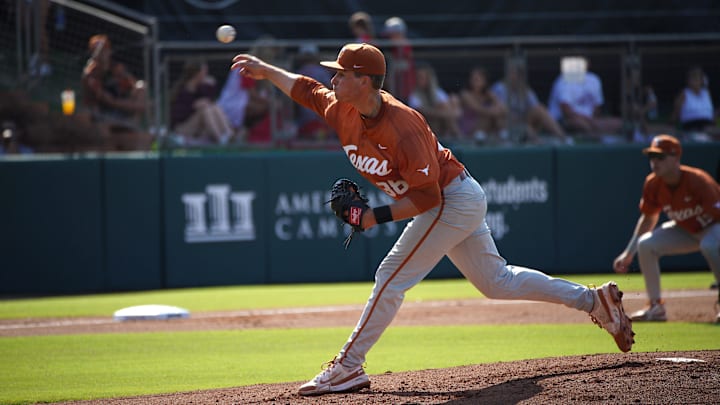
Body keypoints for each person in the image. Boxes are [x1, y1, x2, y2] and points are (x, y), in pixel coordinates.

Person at [231, 42, 635, 397]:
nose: (333, 79)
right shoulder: (343, 109)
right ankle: (593, 300)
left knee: (390, 276)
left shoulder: (403, 125)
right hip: (453, 198)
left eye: (342, 74)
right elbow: (305, 89)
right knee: (497, 282)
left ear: (366, 81)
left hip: (451, 200)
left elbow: (427, 198)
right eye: (334, 73)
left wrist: (373, 217)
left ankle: (348, 366)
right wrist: (266, 71)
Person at [613, 134, 720, 323]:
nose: (655, 161)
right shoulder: (653, 183)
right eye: (652, 157)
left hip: (713, 228)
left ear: (676, 158)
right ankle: (656, 307)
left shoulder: (698, 181)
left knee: (709, 245)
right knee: (645, 244)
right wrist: (629, 252)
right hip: (686, 231)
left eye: (661, 157)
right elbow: (648, 218)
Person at [80, 34, 152, 151]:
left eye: (104, 50)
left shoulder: (116, 68)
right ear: (92, 53)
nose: (102, 54)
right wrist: (138, 106)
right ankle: (130, 124)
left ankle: (138, 125)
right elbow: (108, 101)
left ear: (109, 51)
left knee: (142, 87)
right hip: (101, 113)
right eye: (98, 51)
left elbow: (133, 86)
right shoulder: (91, 74)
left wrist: (133, 94)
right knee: (140, 106)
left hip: (121, 109)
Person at [490, 59, 568, 144]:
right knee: (505, 120)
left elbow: (536, 107)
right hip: (506, 123)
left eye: (516, 73)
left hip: (523, 121)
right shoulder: (499, 88)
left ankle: (564, 138)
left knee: (540, 109)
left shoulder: (525, 90)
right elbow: (496, 110)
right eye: (511, 73)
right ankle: (536, 143)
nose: (513, 76)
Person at [547, 56, 622, 140]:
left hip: (591, 120)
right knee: (581, 124)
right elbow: (566, 111)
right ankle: (599, 140)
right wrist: (591, 121)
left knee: (618, 123)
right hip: (564, 120)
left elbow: (597, 106)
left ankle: (603, 139)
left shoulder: (594, 79)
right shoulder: (563, 79)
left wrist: (594, 121)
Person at [169, 59, 233, 146]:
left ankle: (229, 134)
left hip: (197, 127)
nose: (206, 75)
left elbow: (209, 100)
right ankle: (220, 139)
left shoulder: (200, 88)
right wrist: (192, 106)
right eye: (204, 72)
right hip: (182, 128)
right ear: (197, 74)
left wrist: (211, 85)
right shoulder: (182, 91)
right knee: (205, 110)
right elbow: (177, 115)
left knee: (213, 107)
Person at [408, 62, 463, 140]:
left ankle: (458, 138)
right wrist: (446, 114)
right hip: (424, 128)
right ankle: (459, 137)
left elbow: (449, 108)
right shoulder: (414, 95)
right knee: (437, 117)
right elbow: (424, 112)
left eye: (423, 77)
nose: (420, 80)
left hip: (442, 124)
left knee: (452, 100)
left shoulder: (437, 92)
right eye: (419, 77)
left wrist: (449, 113)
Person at [458, 66, 507, 143]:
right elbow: (477, 109)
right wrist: (494, 111)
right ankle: (480, 137)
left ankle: (503, 136)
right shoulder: (465, 94)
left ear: (485, 81)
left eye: (478, 79)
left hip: (487, 125)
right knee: (487, 116)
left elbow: (503, 108)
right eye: (473, 78)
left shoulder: (489, 94)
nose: (475, 81)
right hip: (469, 128)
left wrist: (497, 110)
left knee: (498, 117)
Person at [672, 66, 716, 136]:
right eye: (693, 78)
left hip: (709, 126)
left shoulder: (707, 93)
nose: (696, 81)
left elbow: (712, 114)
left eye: (698, 78)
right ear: (688, 80)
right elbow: (675, 114)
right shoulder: (684, 94)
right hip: (691, 127)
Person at [382, 16, 416, 103]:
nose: (390, 37)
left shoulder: (404, 45)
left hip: (405, 87)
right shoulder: (393, 47)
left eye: (393, 34)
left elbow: (405, 65)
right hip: (396, 87)